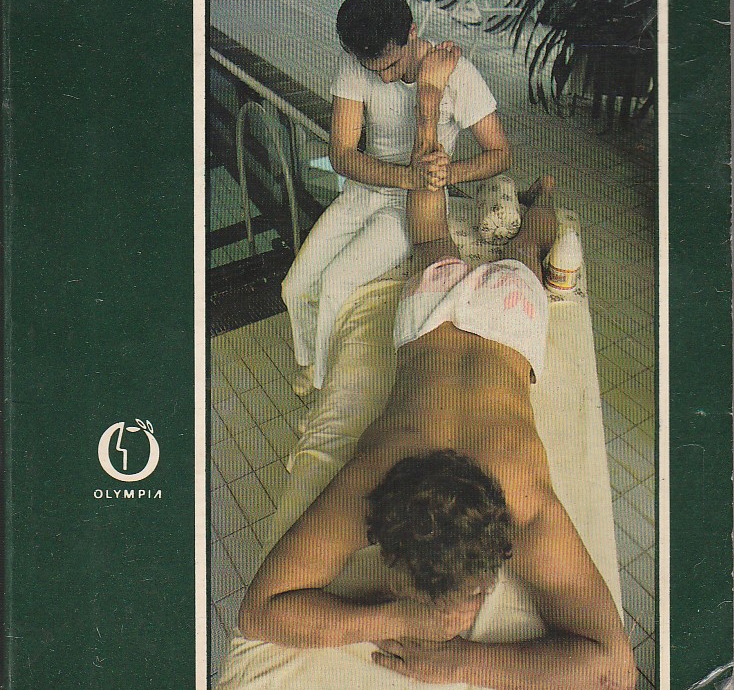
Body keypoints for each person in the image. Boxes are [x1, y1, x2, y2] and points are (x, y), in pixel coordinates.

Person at [240, 43, 635, 690]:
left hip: (489, 324)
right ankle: (522, 185)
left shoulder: (442, 485)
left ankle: (512, 182)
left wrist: (464, 660)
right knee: (477, 243)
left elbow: (615, 669)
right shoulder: (402, 479)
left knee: (474, 246)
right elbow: (610, 660)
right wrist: (401, 615)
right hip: (449, 320)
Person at [282, 0, 510, 391]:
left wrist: (448, 174)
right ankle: (311, 359)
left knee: (335, 285)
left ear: (412, 33)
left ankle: (324, 384)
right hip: (364, 189)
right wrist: (407, 176)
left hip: (410, 207)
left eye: (391, 66)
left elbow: (499, 154)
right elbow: (342, 156)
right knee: (294, 287)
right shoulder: (357, 62)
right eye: (375, 71)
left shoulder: (456, 74)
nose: (385, 79)